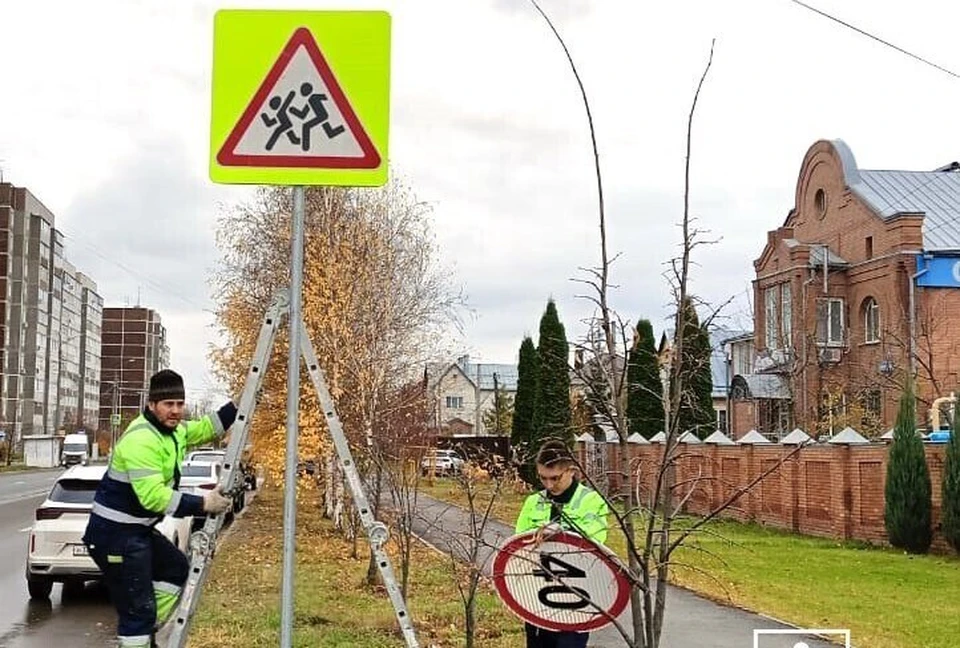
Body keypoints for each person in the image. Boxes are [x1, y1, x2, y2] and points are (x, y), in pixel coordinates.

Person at [83, 369, 238, 648]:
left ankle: (146, 627)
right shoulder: (140, 440)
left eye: (180, 404)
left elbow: (205, 428)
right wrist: (204, 503)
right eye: (168, 404)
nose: (176, 411)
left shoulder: (173, 431)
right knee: (136, 614)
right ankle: (140, 631)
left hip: (136, 531)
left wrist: (236, 407)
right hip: (114, 537)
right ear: (152, 405)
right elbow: (153, 498)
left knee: (176, 570)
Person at [514, 440, 609, 648]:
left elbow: (596, 539)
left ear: (571, 471)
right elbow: (518, 544)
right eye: (543, 478)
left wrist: (562, 533)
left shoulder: (591, 501)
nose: (548, 485)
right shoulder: (533, 501)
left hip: (576, 597)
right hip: (537, 595)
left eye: (555, 478)